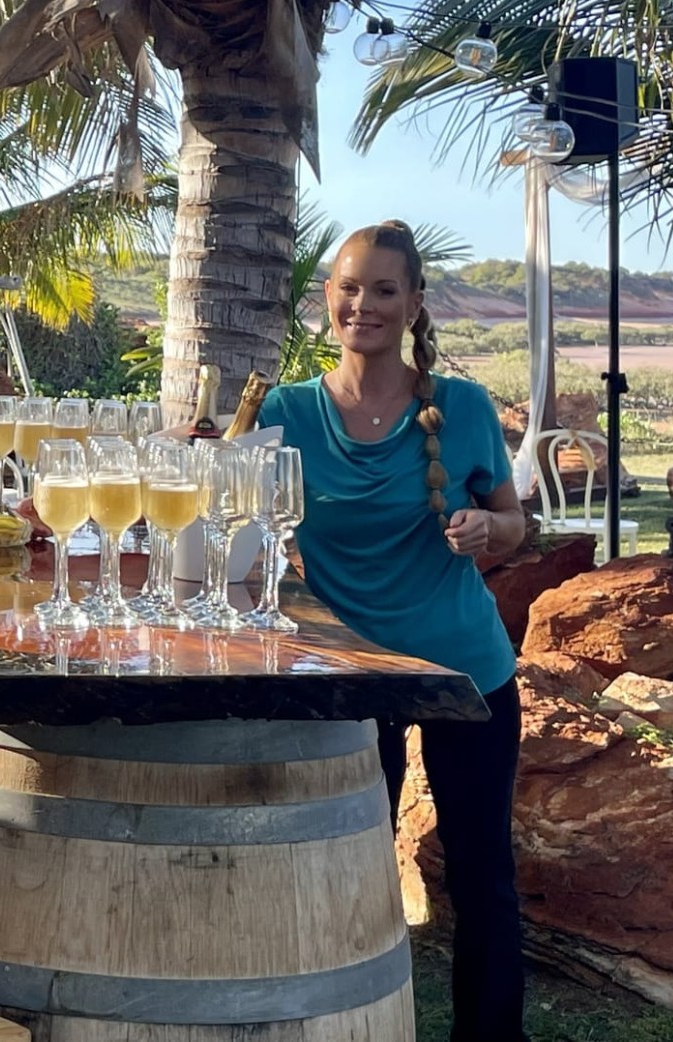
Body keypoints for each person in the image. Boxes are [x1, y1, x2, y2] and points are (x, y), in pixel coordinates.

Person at [256, 219, 527, 1042]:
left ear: (413, 304)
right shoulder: (287, 410)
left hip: (463, 670)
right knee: (348, 868)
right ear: (326, 300)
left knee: (481, 874)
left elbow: (516, 524)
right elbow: (244, 526)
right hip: (345, 677)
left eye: (382, 289)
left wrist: (488, 528)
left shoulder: (463, 406)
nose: (361, 304)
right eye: (348, 287)